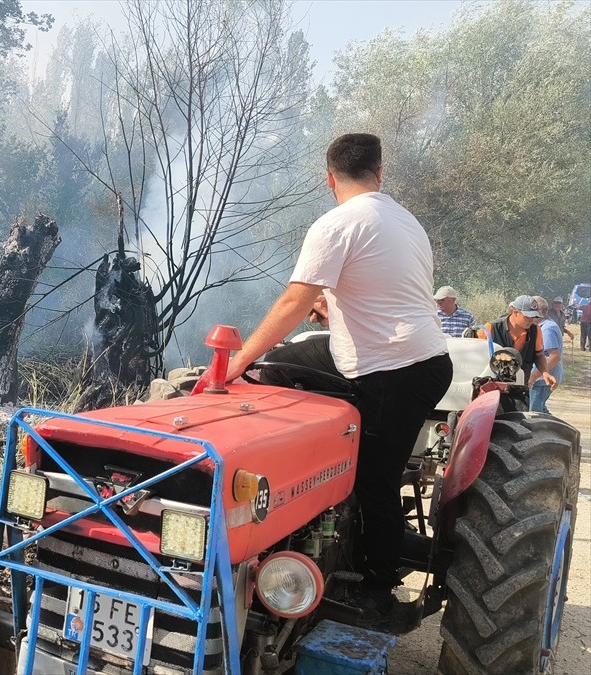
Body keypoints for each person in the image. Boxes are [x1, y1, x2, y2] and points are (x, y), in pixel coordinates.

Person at [224, 133, 452, 623]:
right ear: (379, 172)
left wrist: (236, 361)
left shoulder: (337, 223)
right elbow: (380, 291)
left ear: (329, 179)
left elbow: (293, 302)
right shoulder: (405, 220)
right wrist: (331, 308)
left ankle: (378, 590)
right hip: (422, 358)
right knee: (278, 368)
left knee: (374, 481)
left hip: (394, 371)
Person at [474, 295, 555, 388]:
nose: (531, 320)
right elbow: (475, 355)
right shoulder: (491, 328)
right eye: (528, 317)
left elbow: (539, 356)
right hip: (491, 386)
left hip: (520, 387)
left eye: (534, 317)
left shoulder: (536, 331)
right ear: (516, 312)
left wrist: (545, 373)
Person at [528, 296, 562, 413]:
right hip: (541, 379)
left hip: (542, 380)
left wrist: (533, 376)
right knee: (540, 410)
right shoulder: (543, 327)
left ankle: (559, 431)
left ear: (540, 311)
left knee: (535, 414)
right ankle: (559, 431)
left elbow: (554, 356)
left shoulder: (546, 329)